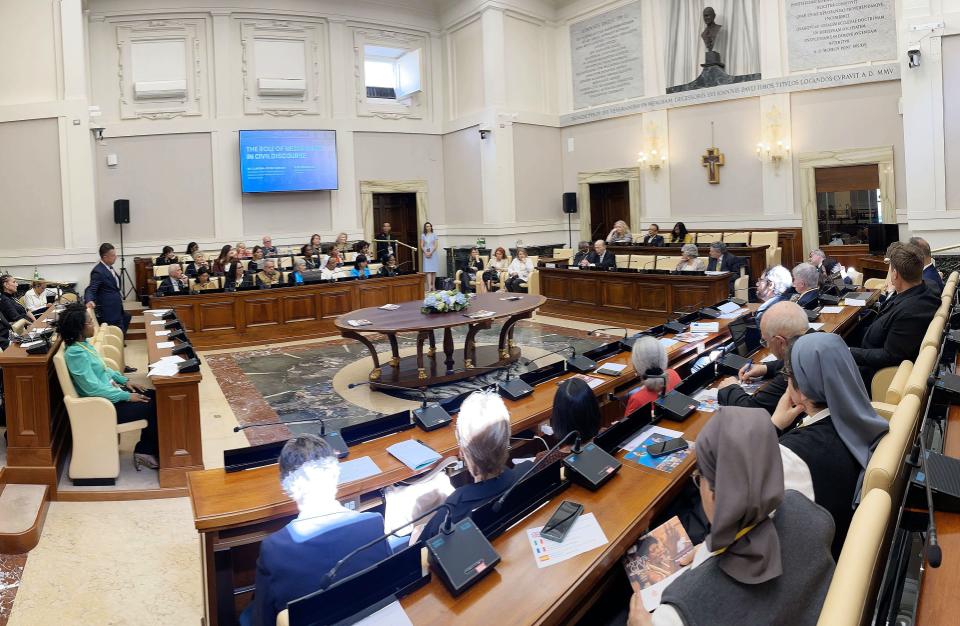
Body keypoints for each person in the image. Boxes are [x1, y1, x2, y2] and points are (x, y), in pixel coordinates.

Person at [627, 407, 835, 626]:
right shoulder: (808, 511)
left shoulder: (677, 612)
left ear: (715, 494)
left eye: (700, 478)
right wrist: (708, 551)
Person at [251, 434, 390, 626]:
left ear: (286, 485)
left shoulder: (274, 549)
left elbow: (262, 620)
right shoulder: (373, 524)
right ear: (335, 474)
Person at [773, 333, 888, 558]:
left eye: (788, 374)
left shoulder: (790, 455)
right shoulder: (864, 419)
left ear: (801, 389)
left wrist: (773, 426)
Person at [418, 391, 531, 540]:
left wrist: (416, 535)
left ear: (462, 451)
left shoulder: (453, 508)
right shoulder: (529, 470)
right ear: (506, 440)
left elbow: (422, 552)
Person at [60, 303, 159, 470]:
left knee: (155, 395)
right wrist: (127, 396)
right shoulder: (75, 353)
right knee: (153, 405)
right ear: (79, 328)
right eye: (90, 322)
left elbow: (103, 369)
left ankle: (150, 448)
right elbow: (92, 389)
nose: (93, 324)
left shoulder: (84, 344)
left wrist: (124, 381)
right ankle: (144, 451)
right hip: (102, 407)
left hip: (110, 395)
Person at [850, 242, 940, 385]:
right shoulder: (928, 286)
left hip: (870, 372)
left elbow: (889, 356)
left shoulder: (911, 313)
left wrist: (848, 352)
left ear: (895, 274)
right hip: (869, 343)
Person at [718, 301, 809, 416]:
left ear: (780, 342)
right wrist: (765, 368)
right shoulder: (813, 344)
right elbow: (785, 361)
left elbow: (751, 409)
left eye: (765, 341)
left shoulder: (794, 369)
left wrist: (729, 388)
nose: (766, 346)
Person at [83, 243, 132, 339]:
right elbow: (91, 289)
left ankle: (119, 343)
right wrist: (89, 300)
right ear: (105, 257)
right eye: (113, 255)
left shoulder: (109, 267)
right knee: (114, 333)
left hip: (116, 306)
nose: (116, 257)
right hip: (108, 309)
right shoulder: (98, 271)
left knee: (125, 318)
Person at [625, 336, 680, 415]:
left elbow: (628, 427)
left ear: (636, 365)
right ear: (663, 357)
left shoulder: (637, 399)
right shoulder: (673, 374)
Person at [421, 222, 439, 292]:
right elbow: (422, 245)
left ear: (431, 227)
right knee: (428, 271)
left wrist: (431, 252)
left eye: (429, 226)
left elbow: (436, 245)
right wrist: (425, 252)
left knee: (433, 271)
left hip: (433, 253)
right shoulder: (423, 235)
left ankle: (433, 286)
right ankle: (429, 287)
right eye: (427, 226)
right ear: (425, 228)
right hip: (426, 253)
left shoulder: (434, 235)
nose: (428, 227)